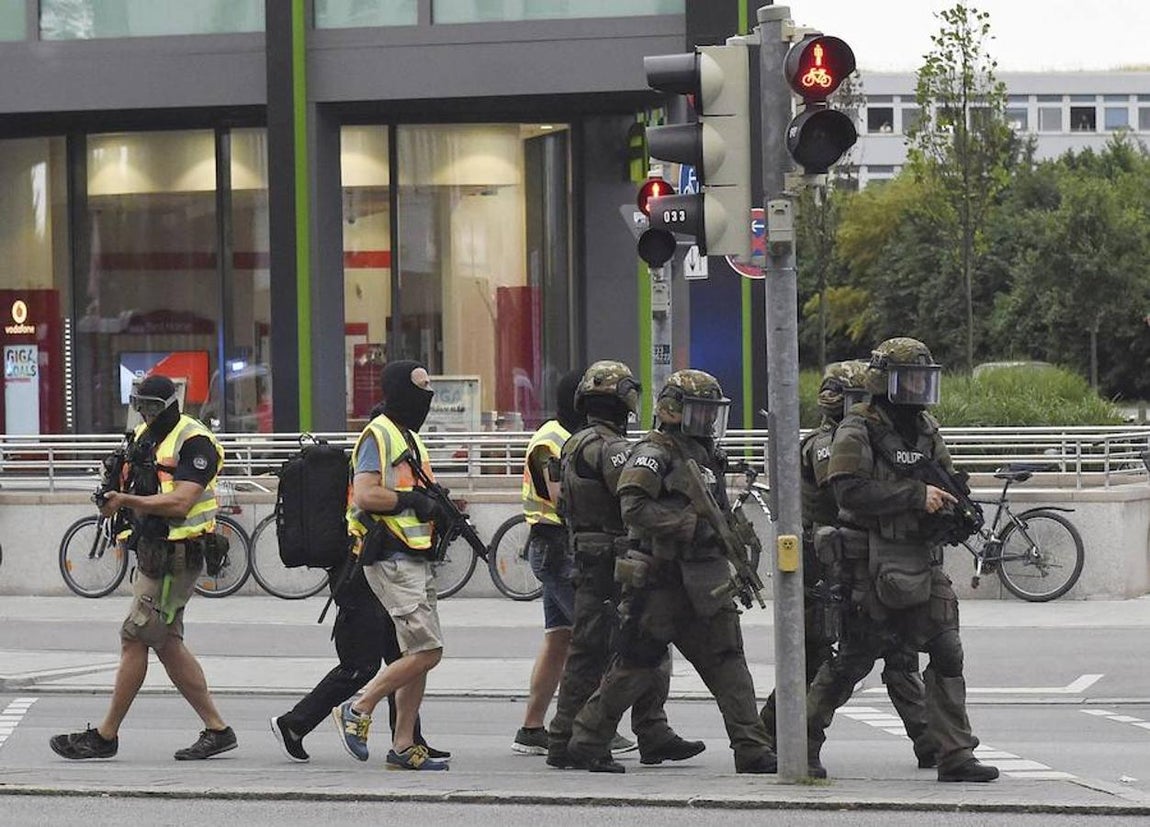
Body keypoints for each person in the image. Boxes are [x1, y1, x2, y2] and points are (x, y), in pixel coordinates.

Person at [807, 338, 998, 783]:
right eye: (908, 379)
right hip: (869, 561)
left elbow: (946, 481)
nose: (917, 388)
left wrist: (955, 509)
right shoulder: (857, 428)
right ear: (884, 382)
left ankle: (955, 754)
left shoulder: (926, 428)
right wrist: (915, 495)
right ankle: (803, 743)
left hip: (920, 558)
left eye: (922, 379)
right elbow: (847, 491)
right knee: (853, 660)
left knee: (947, 649)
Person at [567, 369, 777, 774]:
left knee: (729, 663)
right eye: (700, 412)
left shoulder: (705, 454)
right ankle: (587, 741)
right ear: (672, 410)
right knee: (635, 665)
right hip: (662, 583)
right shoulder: (655, 452)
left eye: (711, 413)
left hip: (706, 580)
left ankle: (751, 748)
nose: (708, 421)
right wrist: (688, 525)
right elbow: (633, 507)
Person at [759, 361, 936, 773]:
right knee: (825, 656)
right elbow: (846, 494)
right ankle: (772, 734)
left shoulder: (861, 436)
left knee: (897, 653)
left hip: (863, 557)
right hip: (830, 561)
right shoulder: (830, 443)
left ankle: (929, 740)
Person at [50, 374, 236, 761]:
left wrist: (125, 501)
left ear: (169, 406)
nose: (146, 414)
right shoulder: (143, 436)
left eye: (152, 407)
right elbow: (133, 480)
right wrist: (112, 493)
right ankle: (218, 729)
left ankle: (105, 736)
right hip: (155, 552)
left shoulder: (195, 441)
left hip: (177, 556)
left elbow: (182, 501)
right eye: (140, 406)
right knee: (167, 644)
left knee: (134, 636)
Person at [270, 396, 446, 764]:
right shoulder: (374, 451)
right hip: (358, 569)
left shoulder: (394, 451)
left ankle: (407, 740)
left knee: (404, 654)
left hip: (369, 566)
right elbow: (371, 503)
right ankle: (296, 723)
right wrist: (412, 501)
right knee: (361, 664)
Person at [547, 361, 701, 771]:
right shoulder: (612, 448)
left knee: (617, 646)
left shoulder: (574, 442)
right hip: (612, 559)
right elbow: (633, 495)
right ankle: (581, 739)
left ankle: (644, 731)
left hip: (590, 554)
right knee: (620, 647)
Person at [330, 360, 450, 771]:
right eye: (421, 387)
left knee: (416, 652)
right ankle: (358, 706)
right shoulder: (378, 434)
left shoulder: (407, 436)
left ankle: (403, 745)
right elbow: (365, 495)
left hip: (414, 556)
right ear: (400, 389)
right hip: (391, 557)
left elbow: (410, 489)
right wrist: (413, 501)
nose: (427, 396)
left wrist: (436, 506)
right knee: (429, 651)